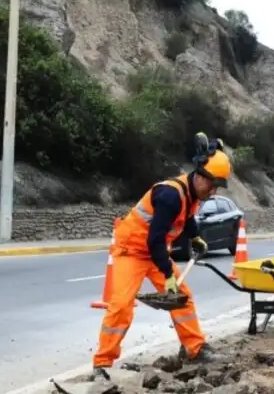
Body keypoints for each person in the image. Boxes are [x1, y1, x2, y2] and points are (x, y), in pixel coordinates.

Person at [92, 132, 232, 379]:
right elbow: (154, 240)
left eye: (217, 187)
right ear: (199, 176)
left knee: (182, 297)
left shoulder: (193, 195)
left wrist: (195, 237)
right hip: (131, 251)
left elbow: (187, 217)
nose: (213, 191)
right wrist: (168, 275)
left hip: (154, 252)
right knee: (121, 306)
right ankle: (102, 363)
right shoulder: (169, 195)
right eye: (212, 185)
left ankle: (195, 348)